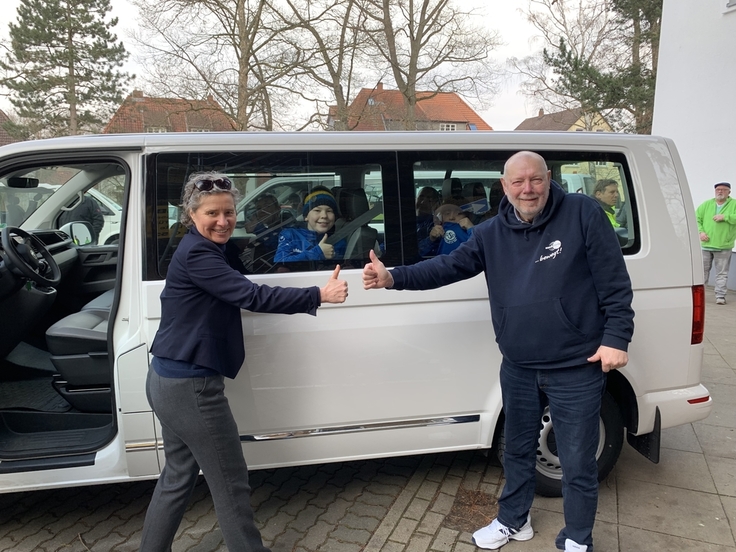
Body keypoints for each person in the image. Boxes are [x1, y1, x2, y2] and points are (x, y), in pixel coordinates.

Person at [362, 151, 634, 552]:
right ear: (504, 187)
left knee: (577, 462)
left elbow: (615, 282)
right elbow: (446, 267)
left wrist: (616, 338)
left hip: (576, 364)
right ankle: (513, 520)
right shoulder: (490, 232)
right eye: (518, 182)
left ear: (548, 179)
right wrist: (393, 277)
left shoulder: (582, 214)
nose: (528, 189)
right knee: (517, 450)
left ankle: (577, 538)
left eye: (536, 180)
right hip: (519, 365)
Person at [140, 172, 348, 552]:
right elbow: (251, 295)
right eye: (212, 214)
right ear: (191, 213)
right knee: (230, 481)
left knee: (178, 475)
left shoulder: (200, 246)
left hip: (168, 380)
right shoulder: (200, 254)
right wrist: (318, 294)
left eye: (230, 212)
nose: (223, 221)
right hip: (191, 388)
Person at [274, 186, 346, 262]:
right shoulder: (290, 235)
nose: (324, 216)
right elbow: (280, 263)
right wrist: (318, 252)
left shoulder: (339, 242)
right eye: (317, 210)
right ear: (306, 216)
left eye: (329, 211)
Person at [696, 182, 736, 305]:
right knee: (702, 272)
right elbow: (697, 218)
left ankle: (720, 296)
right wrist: (701, 232)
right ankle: (700, 297)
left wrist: (725, 217)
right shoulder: (706, 204)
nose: (720, 192)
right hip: (705, 245)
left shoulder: (734, 204)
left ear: (729, 192)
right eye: (718, 189)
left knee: (722, 273)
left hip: (724, 245)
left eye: (723, 190)